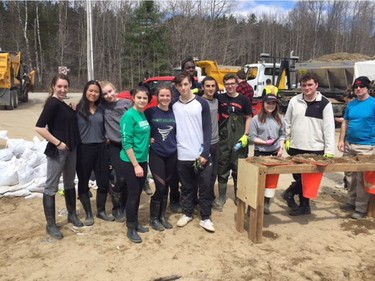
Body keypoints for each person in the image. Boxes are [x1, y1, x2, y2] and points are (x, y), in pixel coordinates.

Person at [35, 74, 83, 239]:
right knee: (51, 187)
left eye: (65, 86)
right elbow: (40, 128)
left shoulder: (62, 104)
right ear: (53, 87)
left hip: (71, 149)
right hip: (58, 151)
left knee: (70, 183)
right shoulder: (52, 104)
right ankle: (51, 225)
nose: (63, 89)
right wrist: (58, 143)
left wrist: (73, 109)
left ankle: (72, 215)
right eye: (59, 86)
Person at [283, 72, 335, 216]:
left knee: (309, 178)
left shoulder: (325, 103)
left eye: (310, 85)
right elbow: (287, 122)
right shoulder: (294, 101)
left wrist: (329, 150)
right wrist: (287, 139)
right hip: (296, 147)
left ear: (316, 85)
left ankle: (289, 193)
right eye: (304, 85)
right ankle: (304, 206)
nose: (307, 88)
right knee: (298, 177)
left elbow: (329, 128)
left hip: (315, 148)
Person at [172, 73, 214, 232]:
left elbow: (207, 129)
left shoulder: (201, 103)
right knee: (187, 187)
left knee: (205, 186)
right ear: (176, 87)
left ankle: (205, 217)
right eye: (180, 85)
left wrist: (205, 152)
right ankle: (187, 213)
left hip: (200, 154)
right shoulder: (173, 104)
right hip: (182, 154)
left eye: (185, 84)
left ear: (191, 85)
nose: (183, 88)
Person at [76, 80, 114, 226]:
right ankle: (89, 214)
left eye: (96, 92)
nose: (93, 93)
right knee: (83, 182)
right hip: (84, 149)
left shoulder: (101, 109)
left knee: (103, 181)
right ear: (85, 91)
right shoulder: (76, 109)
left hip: (101, 148)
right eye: (90, 90)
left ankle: (101, 211)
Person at [338, 76, 375, 219]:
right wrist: (341, 140)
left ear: (367, 88)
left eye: (362, 87)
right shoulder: (351, 105)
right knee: (349, 176)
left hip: (366, 146)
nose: (358, 89)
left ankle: (360, 208)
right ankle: (351, 201)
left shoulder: (373, 104)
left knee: (361, 178)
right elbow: (345, 123)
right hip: (349, 145)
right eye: (356, 87)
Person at [214, 73, 252, 211]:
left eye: (232, 83)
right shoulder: (220, 98)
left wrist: (246, 135)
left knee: (238, 169)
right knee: (222, 168)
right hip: (223, 139)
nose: (230, 86)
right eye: (227, 83)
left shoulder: (244, 100)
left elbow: (248, 117)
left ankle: (238, 196)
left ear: (237, 84)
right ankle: (222, 197)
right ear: (224, 84)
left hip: (239, 139)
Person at [119, 86, 152, 243]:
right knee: (133, 194)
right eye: (139, 97)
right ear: (133, 98)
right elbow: (126, 142)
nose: (142, 100)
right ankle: (130, 227)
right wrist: (135, 165)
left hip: (142, 159)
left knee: (138, 193)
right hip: (131, 161)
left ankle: (136, 222)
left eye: (144, 98)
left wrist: (149, 141)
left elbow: (141, 134)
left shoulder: (142, 113)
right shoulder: (129, 116)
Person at [145, 84, 177, 231]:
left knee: (167, 187)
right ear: (157, 96)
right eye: (162, 95)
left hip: (172, 153)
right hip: (156, 153)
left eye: (167, 96)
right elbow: (141, 128)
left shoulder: (174, 112)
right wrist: (148, 138)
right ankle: (153, 218)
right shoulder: (150, 112)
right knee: (160, 186)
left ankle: (162, 217)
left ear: (171, 97)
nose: (165, 98)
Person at [100, 80, 133, 222]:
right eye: (105, 94)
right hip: (114, 145)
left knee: (128, 178)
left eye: (110, 91)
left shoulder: (127, 103)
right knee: (119, 177)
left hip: (129, 145)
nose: (108, 95)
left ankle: (125, 206)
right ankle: (116, 206)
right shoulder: (102, 107)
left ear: (115, 89)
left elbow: (136, 119)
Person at [249, 94, 285, 214]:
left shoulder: (279, 118)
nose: (270, 106)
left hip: (274, 154)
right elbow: (251, 137)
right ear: (263, 104)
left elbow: (282, 134)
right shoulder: (256, 119)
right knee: (258, 181)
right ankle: (253, 205)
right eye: (268, 103)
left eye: (273, 103)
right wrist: (264, 142)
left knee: (271, 181)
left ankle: (266, 203)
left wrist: (281, 148)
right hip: (261, 153)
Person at [201, 76, 220, 216]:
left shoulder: (218, 101)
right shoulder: (198, 102)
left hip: (216, 142)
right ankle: (200, 200)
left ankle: (211, 197)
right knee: (202, 175)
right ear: (203, 87)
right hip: (202, 143)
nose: (210, 88)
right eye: (207, 86)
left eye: (213, 86)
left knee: (213, 174)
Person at [334, 88, 356, 190]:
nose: (347, 103)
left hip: (359, 141)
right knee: (347, 165)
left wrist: (341, 120)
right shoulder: (349, 107)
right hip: (348, 139)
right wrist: (341, 140)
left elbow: (348, 120)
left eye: (347, 100)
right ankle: (347, 184)